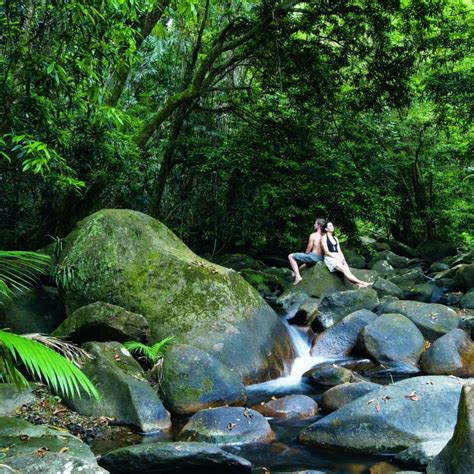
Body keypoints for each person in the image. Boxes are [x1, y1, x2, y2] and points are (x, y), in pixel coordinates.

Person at [322, 222, 372, 288]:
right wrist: (337, 258)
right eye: (330, 226)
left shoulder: (335, 238)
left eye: (332, 225)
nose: (332, 227)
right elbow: (326, 251)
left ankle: (359, 285)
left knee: (348, 272)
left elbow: (339, 250)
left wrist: (343, 259)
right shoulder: (324, 238)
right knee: (345, 270)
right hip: (330, 257)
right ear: (326, 228)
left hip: (338, 256)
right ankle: (363, 283)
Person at [288, 218, 326, 285]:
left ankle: (298, 276)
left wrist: (305, 255)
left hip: (313, 257)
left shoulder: (313, 235)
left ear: (319, 226)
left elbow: (309, 249)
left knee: (290, 256)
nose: (314, 225)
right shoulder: (325, 236)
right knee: (305, 265)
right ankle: (295, 273)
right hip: (321, 258)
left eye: (315, 223)